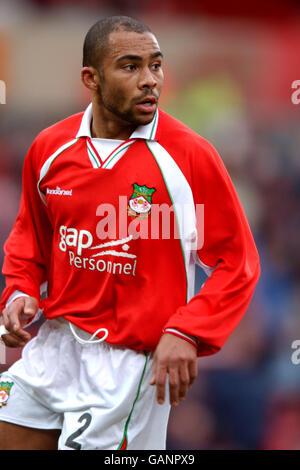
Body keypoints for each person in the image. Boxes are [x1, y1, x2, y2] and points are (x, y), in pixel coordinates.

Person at [0, 16, 260, 450]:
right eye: (130, 66)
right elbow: (30, 237)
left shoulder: (190, 156)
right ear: (92, 78)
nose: (149, 81)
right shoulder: (50, 148)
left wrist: (187, 332)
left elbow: (239, 262)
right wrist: (19, 291)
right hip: (54, 345)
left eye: (156, 66)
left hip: (128, 366)